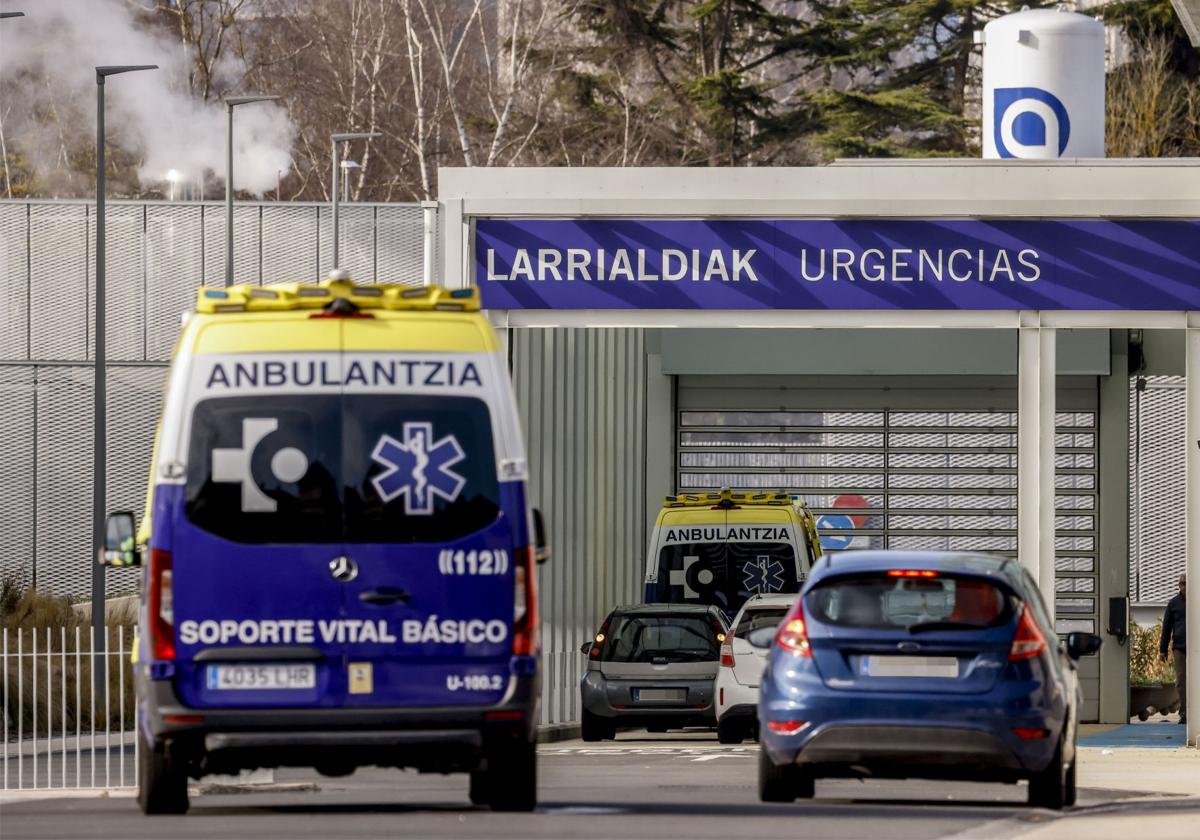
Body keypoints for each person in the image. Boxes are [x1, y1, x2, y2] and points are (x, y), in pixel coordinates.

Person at [1159, 574, 1187, 725]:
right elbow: (1166, 628)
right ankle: (1184, 714)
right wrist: (1162, 650)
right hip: (1180, 648)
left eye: (1186, 583)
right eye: (1181, 584)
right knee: (1181, 682)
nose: (1183, 586)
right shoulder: (1173, 604)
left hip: (1196, 648)